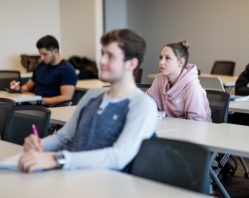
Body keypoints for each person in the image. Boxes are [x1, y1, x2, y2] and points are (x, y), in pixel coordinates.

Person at [17, 29, 157, 173]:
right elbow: (63, 137)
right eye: (103, 54)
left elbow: (118, 156)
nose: (101, 61)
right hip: (71, 175)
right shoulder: (92, 95)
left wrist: (58, 159)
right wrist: (40, 145)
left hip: (106, 185)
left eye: (110, 56)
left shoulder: (142, 105)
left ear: (132, 64)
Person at [147, 40, 211, 121]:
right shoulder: (159, 79)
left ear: (181, 62)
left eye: (167, 58)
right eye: (161, 57)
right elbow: (147, 104)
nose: (161, 62)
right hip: (167, 128)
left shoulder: (192, 86)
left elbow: (196, 122)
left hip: (194, 131)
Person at [10, 35, 77, 106]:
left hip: (50, 108)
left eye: (45, 54)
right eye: (40, 54)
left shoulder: (67, 70)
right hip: (35, 105)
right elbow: (28, 86)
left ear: (55, 51)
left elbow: (66, 97)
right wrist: (19, 88)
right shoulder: (41, 65)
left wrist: (40, 101)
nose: (41, 58)